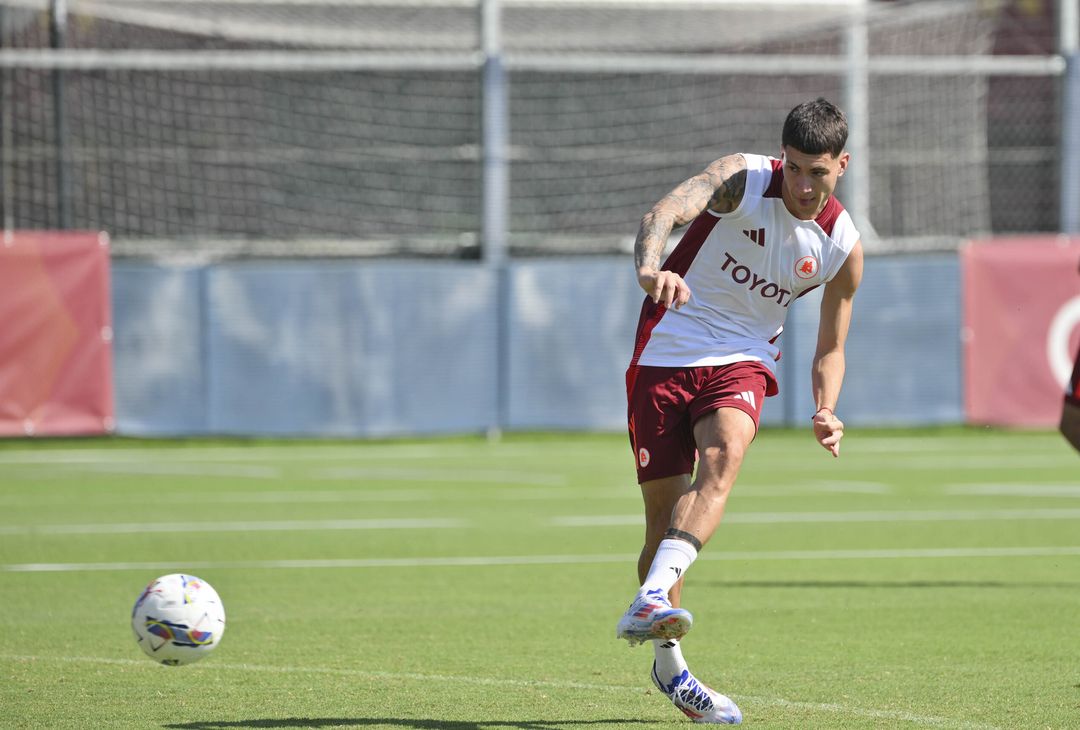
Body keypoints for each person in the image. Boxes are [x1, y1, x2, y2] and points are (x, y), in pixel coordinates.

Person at [615, 98, 864, 725]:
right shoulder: (744, 181)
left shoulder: (840, 245)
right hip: (668, 345)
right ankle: (670, 665)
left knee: (725, 454)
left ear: (843, 165)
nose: (805, 186)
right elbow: (665, 211)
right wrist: (650, 270)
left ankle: (649, 598)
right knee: (663, 520)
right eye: (797, 169)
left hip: (745, 357)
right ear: (783, 159)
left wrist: (826, 406)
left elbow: (831, 345)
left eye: (820, 172)